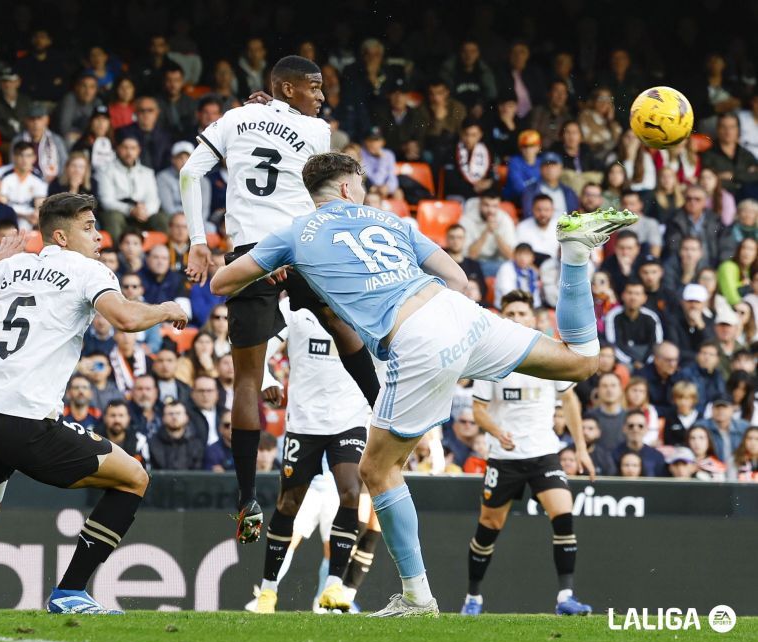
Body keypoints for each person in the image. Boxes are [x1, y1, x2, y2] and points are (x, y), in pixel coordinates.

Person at [212, 151, 635, 617]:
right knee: (580, 362)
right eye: (363, 185)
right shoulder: (388, 219)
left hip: (415, 337)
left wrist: (278, 268)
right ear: (350, 188)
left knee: (377, 471)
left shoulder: (294, 233)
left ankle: (418, 599)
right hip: (458, 314)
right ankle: (574, 255)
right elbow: (457, 277)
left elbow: (221, 282)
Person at [0, 193, 186, 617]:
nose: (99, 236)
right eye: (89, 227)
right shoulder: (88, 270)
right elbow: (127, 320)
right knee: (133, 477)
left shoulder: (10, 266)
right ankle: (71, 592)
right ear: (60, 236)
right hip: (25, 421)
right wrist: (168, 307)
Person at [180, 56, 383, 545]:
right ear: (288, 88)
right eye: (313, 87)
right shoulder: (317, 132)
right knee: (340, 324)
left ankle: (247, 497)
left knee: (247, 378)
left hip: (248, 252)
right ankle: (386, 416)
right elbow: (325, 193)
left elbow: (191, 174)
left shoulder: (232, 119)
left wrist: (197, 240)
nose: (321, 95)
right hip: (302, 245)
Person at [461, 289, 593, 616]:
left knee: (563, 515)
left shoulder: (550, 355)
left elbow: (570, 400)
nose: (517, 319)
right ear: (502, 318)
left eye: (522, 313)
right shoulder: (490, 358)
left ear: (533, 319)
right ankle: (473, 598)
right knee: (488, 528)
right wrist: (496, 430)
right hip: (504, 459)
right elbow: (478, 411)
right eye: (511, 314)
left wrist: (580, 448)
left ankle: (565, 598)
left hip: (543, 454)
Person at [253, 296, 370, 613]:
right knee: (289, 503)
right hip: (304, 422)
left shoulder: (360, 301)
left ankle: (334, 585)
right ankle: (268, 591)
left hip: (351, 419)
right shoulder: (292, 306)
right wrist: (266, 379)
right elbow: (262, 347)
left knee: (351, 491)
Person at [96, 137, 163, 240]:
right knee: (113, 217)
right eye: (125, 148)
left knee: (162, 219)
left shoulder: (147, 173)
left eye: (133, 148)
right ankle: (117, 253)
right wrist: (130, 210)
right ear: (118, 149)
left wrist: (144, 212)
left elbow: (154, 200)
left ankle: (162, 254)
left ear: (138, 150)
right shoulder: (105, 170)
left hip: (142, 213)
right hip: (119, 211)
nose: (129, 152)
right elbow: (106, 201)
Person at [603, 281, 663, 368]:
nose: (633, 297)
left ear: (644, 298)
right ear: (623, 295)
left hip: (649, 363)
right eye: (630, 293)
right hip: (622, 363)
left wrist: (645, 362)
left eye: (637, 294)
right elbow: (613, 344)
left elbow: (657, 345)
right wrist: (631, 362)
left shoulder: (652, 317)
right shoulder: (613, 316)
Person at [0, 141, 48, 228]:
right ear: (14, 157)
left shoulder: (39, 178)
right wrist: (23, 216)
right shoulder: (2, 174)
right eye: (21, 155)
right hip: (6, 217)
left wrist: (36, 216)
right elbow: (1, 207)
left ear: (34, 158)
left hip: (29, 218)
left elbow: (40, 206)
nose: (24, 160)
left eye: (28, 156)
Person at [0, 67, 32, 159]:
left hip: (26, 139)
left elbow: (30, 121)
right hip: (4, 141)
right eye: (4, 81)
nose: (7, 85)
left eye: (11, 81)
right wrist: (14, 139)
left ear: (18, 82)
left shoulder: (25, 100)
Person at [157, 141, 210, 221]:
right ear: (173, 160)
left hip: (196, 222)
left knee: (210, 228)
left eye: (188, 157)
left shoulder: (203, 181)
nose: (184, 161)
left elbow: (204, 210)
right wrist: (183, 222)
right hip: (173, 221)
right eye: (180, 158)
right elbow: (168, 208)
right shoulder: (163, 177)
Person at [149, 400, 203, 470]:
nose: (174, 417)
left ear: (187, 417)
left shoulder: (196, 444)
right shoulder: (153, 442)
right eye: (170, 414)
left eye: (178, 413)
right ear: (163, 418)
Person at [612, 410, 666, 477]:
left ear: (646, 429)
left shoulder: (657, 456)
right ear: (624, 428)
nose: (635, 429)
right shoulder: (614, 454)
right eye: (631, 426)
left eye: (640, 426)